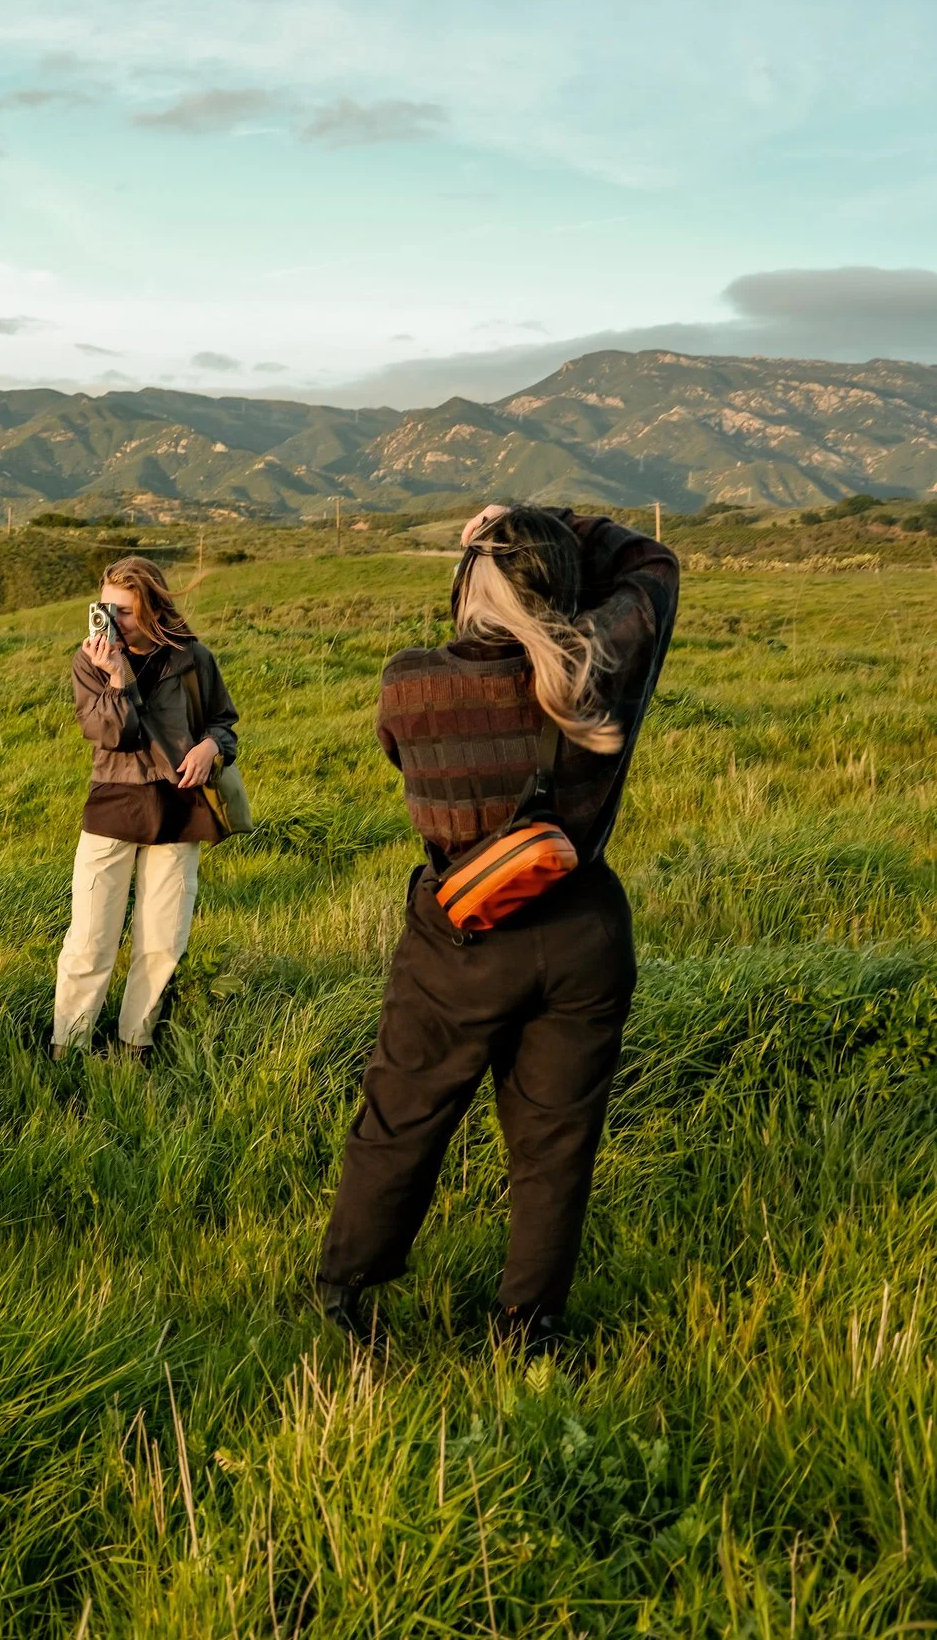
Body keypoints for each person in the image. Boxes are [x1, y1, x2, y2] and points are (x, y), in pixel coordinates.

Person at [317, 503, 678, 1349]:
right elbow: (655, 567)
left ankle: (343, 1289)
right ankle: (531, 1325)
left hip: (460, 933)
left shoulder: (411, 679)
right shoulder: (599, 664)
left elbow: (400, 752)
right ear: (566, 585)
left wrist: (501, 530)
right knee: (557, 1140)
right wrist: (560, 522)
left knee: (403, 1115)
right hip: (584, 928)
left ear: (469, 580)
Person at [50, 555, 239, 1064]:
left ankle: (136, 1045)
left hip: (179, 807)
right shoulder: (89, 660)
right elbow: (113, 733)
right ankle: (67, 1048)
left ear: (153, 608)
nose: (113, 622)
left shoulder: (193, 657)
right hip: (114, 804)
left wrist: (211, 749)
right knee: (91, 940)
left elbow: (224, 723)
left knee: (161, 941)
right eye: (106, 609)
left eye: (126, 612)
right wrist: (116, 676)